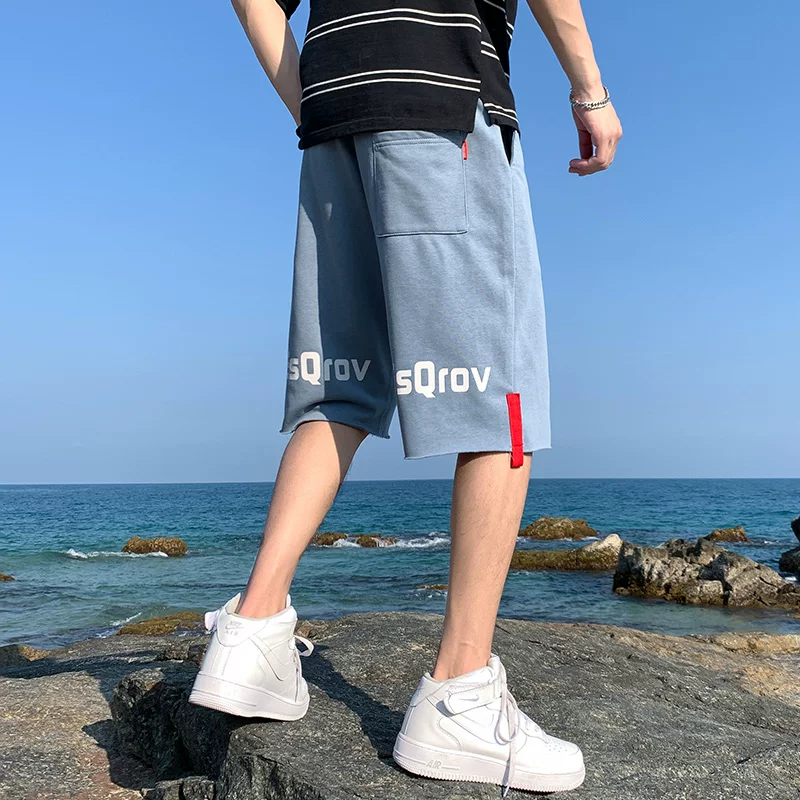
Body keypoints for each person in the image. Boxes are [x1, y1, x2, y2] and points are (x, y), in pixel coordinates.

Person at [189, 0, 622, 794]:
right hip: (441, 99)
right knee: (502, 403)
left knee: (340, 386)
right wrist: (589, 91)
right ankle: (459, 696)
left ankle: (252, 630)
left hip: (333, 121)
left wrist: (313, 103)